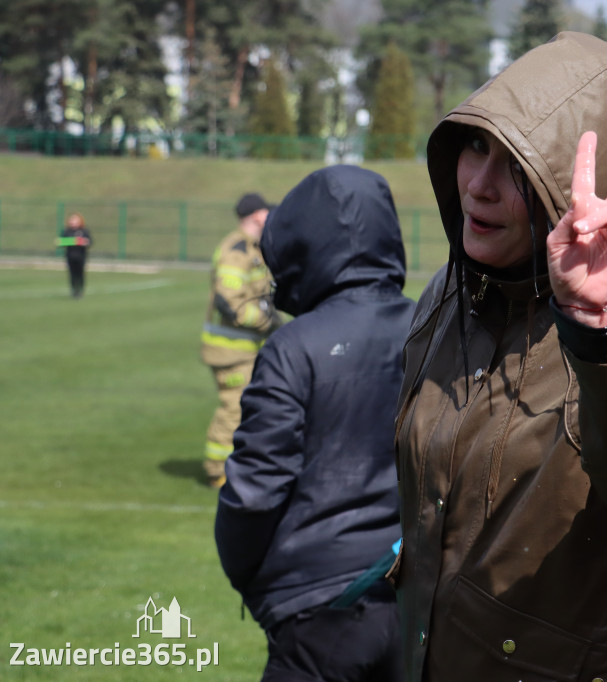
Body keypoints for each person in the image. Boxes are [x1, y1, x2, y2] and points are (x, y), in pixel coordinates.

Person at [395, 32, 607, 681]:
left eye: (515, 168)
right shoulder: (454, 289)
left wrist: (599, 329)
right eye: (473, 146)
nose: (479, 186)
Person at [215, 165, 415, 681]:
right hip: (420, 603)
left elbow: (254, 491)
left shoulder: (293, 346)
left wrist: (252, 580)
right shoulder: (433, 327)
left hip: (318, 613)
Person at [200, 193, 279, 489]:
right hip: (230, 351)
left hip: (247, 349)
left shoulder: (253, 249)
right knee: (233, 408)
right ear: (257, 216)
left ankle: (238, 467)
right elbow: (230, 302)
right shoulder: (236, 250)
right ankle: (217, 472)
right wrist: (266, 321)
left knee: (248, 408)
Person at [59, 212, 92, 298]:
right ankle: (74, 290)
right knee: (72, 274)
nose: (72, 222)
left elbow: (90, 242)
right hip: (70, 256)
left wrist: (84, 242)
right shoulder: (67, 231)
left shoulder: (84, 231)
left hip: (81, 256)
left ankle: (80, 290)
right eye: (71, 220)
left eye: (75, 220)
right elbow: (61, 242)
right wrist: (67, 242)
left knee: (80, 273)